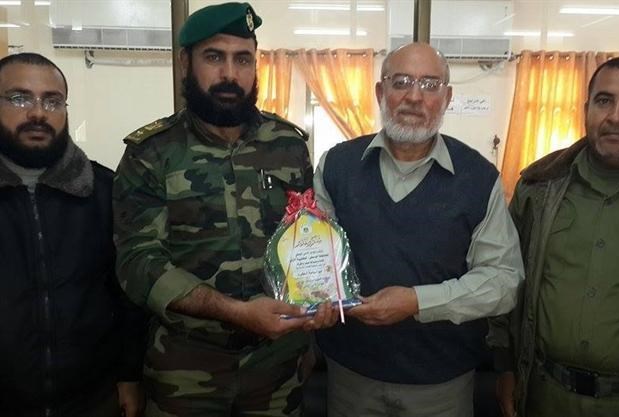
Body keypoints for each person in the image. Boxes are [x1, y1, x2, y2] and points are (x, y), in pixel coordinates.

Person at [113, 2, 337, 416]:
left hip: (278, 366)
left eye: (243, 59)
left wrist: (319, 301)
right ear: (186, 63)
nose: (230, 74)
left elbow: (304, 239)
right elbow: (138, 263)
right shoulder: (151, 154)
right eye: (214, 57)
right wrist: (237, 312)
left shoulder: (288, 145)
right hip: (186, 368)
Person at [312, 42, 524, 417]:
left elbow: (504, 281)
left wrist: (418, 301)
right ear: (381, 92)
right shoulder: (336, 166)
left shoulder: (478, 178)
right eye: (401, 82)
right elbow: (315, 261)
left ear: (447, 97)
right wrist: (315, 297)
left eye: (429, 84)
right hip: (350, 376)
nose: (414, 96)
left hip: (441, 385)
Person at [492, 55, 619, 417]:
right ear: (587, 108)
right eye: (604, 100)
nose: (616, 116)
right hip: (543, 395)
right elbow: (505, 278)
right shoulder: (540, 187)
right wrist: (504, 365)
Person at [0, 52, 146, 416]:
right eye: (19, 98)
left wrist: (130, 375)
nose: (38, 113)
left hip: (92, 398)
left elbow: (128, 294)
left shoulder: (105, 191)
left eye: (52, 101)